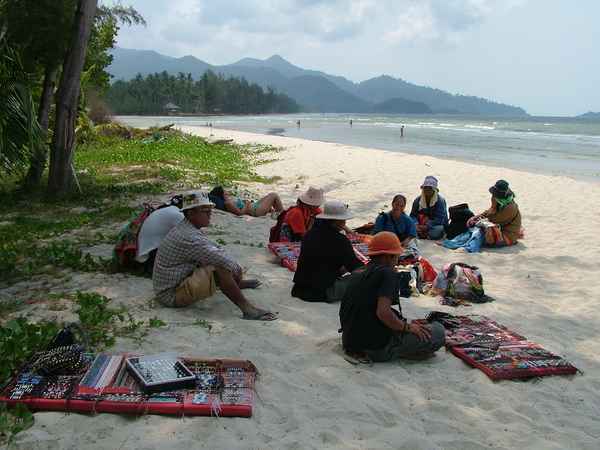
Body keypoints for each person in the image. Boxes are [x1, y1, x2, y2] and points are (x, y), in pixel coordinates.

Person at [153, 190, 278, 321]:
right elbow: (220, 259)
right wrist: (235, 271)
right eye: (205, 210)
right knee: (218, 268)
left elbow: (214, 248)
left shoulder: (188, 228)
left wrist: (234, 267)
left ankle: (235, 284)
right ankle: (248, 309)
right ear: (191, 214)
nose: (210, 213)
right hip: (171, 294)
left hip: (173, 284)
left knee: (216, 260)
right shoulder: (189, 237)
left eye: (210, 209)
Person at [339, 231, 445, 363]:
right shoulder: (388, 273)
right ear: (388, 256)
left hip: (350, 341)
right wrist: (407, 327)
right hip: (377, 348)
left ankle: (407, 352)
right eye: (396, 257)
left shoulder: (357, 272)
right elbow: (383, 312)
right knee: (439, 332)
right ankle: (400, 352)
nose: (397, 261)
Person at [291, 202, 363, 303]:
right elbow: (356, 268)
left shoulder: (310, 234)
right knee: (364, 280)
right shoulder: (340, 239)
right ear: (337, 221)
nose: (344, 224)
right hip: (323, 292)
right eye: (344, 220)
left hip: (299, 289)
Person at [438, 180, 521, 253]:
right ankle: (451, 243)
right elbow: (488, 212)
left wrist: (493, 206)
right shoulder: (502, 204)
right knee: (472, 230)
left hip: (507, 236)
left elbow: (492, 220)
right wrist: (475, 218)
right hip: (498, 230)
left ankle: (470, 249)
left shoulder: (510, 208)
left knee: (479, 231)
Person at [136, 195, 184, 265]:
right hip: (148, 256)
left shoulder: (164, 209)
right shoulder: (176, 214)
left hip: (143, 254)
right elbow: (196, 234)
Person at [409, 175, 448, 240]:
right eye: (426, 188)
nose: (427, 190)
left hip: (434, 226)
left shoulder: (440, 201)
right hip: (420, 225)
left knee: (437, 230)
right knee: (409, 226)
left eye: (430, 188)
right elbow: (413, 215)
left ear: (434, 190)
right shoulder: (418, 200)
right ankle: (422, 233)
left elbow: (440, 218)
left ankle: (422, 234)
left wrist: (427, 226)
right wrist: (416, 224)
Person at [208, 186, 284, 218]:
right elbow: (240, 213)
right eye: (225, 189)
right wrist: (247, 204)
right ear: (223, 192)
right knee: (274, 195)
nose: (227, 190)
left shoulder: (230, 200)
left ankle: (281, 214)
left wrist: (245, 202)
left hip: (255, 206)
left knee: (270, 196)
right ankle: (284, 215)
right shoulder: (228, 203)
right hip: (256, 210)